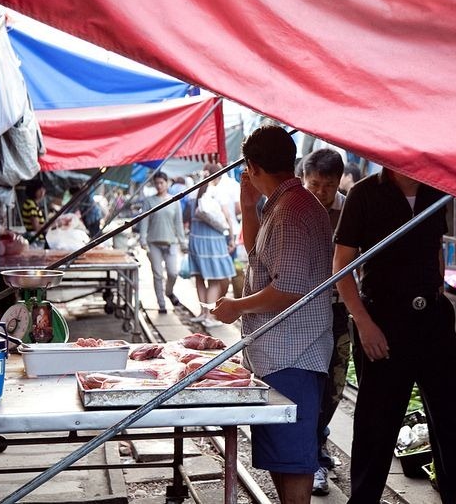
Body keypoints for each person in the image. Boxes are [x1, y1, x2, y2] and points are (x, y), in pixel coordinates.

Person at [333, 168, 456, 504]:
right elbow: (341, 266)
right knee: (376, 425)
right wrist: (364, 323)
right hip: (383, 321)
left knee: (448, 421)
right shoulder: (364, 194)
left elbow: (436, 248)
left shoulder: (436, 190)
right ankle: (364, 500)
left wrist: (435, 288)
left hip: (432, 320)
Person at [212, 125, 333, 504]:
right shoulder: (281, 204)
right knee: (283, 456)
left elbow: (289, 291)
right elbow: (259, 255)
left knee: (295, 459)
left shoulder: (292, 210)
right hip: (279, 353)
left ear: (251, 165)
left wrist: (237, 307)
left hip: (293, 353)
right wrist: (248, 206)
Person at [301, 148, 349, 496]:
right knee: (306, 382)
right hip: (298, 312)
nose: (320, 192)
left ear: (339, 183)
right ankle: (312, 455)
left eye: (328, 186)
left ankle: (318, 441)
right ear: (304, 179)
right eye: (314, 184)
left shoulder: (346, 209)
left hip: (335, 309)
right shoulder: (292, 207)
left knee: (335, 381)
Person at [188, 163, 236, 328]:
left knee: (200, 277)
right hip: (212, 241)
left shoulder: (193, 191)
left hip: (195, 239)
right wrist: (231, 237)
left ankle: (202, 313)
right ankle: (209, 316)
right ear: (218, 176)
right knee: (215, 280)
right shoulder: (217, 191)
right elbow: (227, 216)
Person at [138, 171, 187, 314]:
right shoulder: (149, 201)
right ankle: (161, 304)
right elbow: (144, 221)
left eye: (161, 183)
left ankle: (169, 292)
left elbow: (178, 223)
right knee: (158, 274)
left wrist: (182, 242)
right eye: (156, 183)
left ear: (167, 183)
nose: (159, 186)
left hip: (171, 243)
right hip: (153, 243)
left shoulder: (174, 201)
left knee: (173, 273)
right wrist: (142, 239)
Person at [21, 179, 47, 248]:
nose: (42, 192)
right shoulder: (31, 204)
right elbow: (37, 228)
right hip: (36, 242)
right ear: (33, 190)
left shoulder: (34, 204)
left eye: (43, 189)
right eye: (39, 189)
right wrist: (54, 224)